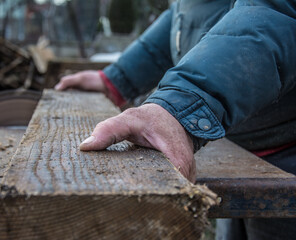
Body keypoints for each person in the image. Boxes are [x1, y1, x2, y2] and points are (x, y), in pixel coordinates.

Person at [55, 0, 296, 239]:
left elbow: (278, 13)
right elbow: (187, 19)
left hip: (285, 157)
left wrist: (180, 108)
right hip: (239, 144)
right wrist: (117, 79)